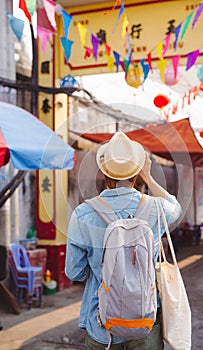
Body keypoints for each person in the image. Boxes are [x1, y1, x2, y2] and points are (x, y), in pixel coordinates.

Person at [65, 132, 182, 350]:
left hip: (101, 319)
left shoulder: (83, 213)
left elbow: (74, 272)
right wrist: (149, 177)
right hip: (145, 315)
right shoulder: (156, 208)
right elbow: (176, 207)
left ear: (104, 170)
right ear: (137, 171)